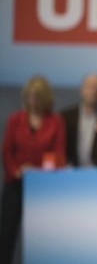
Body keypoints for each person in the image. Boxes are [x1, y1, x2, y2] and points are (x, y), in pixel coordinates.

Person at [0, 75, 66, 264]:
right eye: (30, 96)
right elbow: (7, 151)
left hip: (41, 187)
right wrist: (16, 170)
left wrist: (36, 170)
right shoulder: (15, 119)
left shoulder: (56, 121)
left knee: (40, 235)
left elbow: (58, 153)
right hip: (15, 183)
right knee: (7, 233)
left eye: (37, 96)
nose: (33, 100)